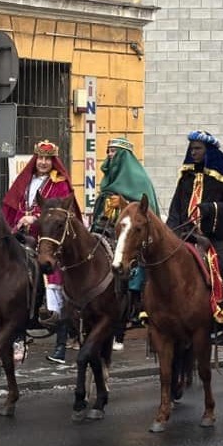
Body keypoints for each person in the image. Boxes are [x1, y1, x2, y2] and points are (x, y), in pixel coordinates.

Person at [166, 130, 223, 341]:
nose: (193, 152)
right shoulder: (185, 178)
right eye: (192, 149)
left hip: (216, 237)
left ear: (209, 151)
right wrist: (173, 232)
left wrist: (210, 210)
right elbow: (175, 209)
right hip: (186, 235)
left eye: (198, 149)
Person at [2, 139, 81, 362]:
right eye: (40, 158)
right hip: (24, 236)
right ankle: (17, 337)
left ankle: (60, 344)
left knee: (56, 282)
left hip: (48, 239)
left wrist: (35, 219)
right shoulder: (26, 182)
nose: (44, 163)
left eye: (48, 159)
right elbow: (15, 206)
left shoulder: (60, 183)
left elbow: (59, 215)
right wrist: (17, 223)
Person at [89, 137, 158, 352]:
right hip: (105, 233)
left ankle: (125, 323)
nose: (110, 155)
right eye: (108, 151)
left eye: (114, 152)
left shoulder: (139, 180)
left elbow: (144, 215)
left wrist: (124, 206)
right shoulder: (108, 182)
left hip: (130, 241)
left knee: (129, 277)